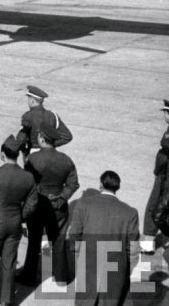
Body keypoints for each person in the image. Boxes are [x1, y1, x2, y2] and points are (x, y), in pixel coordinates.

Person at [0, 135, 38, 306]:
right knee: (9, 263)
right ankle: (6, 301)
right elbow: (32, 204)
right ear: (17, 155)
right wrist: (20, 216)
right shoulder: (28, 177)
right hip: (14, 222)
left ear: (3, 154)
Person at [17, 122, 79, 286]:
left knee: (34, 243)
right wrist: (61, 198)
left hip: (37, 206)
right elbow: (73, 184)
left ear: (42, 138)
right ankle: (61, 277)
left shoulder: (33, 159)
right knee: (58, 242)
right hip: (58, 208)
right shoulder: (65, 160)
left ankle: (29, 276)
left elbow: (26, 184)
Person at [68, 170, 140, 304]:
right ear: (117, 187)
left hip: (88, 261)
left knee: (85, 300)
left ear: (101, 185)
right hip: (117, 265)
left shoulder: (83, 204)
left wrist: (79, 255)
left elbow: (74, 234)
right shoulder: (130, 212)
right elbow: (134, 247)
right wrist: (128, 267)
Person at [143, 98, 169, 254]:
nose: (164, 115)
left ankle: (149, 242)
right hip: (163, 174)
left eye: (166, 112)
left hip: (164, 176)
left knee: (154, 206)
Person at [16, 85, 72, 155]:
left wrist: (24, 151)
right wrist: (50, 144)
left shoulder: (28, 116)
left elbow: (21, 139)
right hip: (51, 153)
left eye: (28, 99)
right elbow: (67, 137)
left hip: (33, 153)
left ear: (32, 101)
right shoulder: (52, 115)